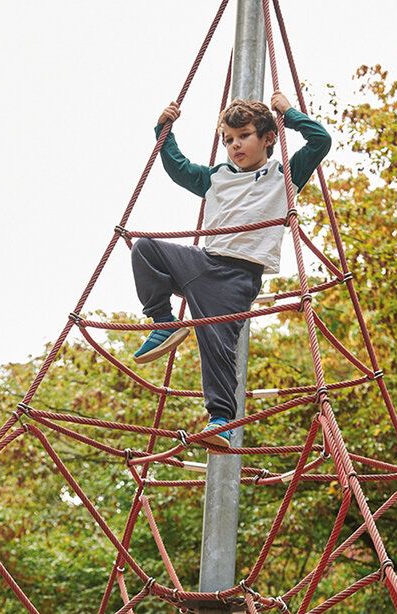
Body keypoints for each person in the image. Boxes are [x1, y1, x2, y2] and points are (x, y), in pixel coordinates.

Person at [130, 91, 331, 449]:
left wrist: (289, 113)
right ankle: (163, 321)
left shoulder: (283, 175)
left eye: (244, 136)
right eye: (228, 140)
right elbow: (179, 168)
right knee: (145, 249)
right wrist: (164, 129)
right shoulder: (218, 176)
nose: (235, 145)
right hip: (204, 261)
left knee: (218, 344)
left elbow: (320, 141)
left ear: (268, 138)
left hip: (238, 276)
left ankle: (221, 421)